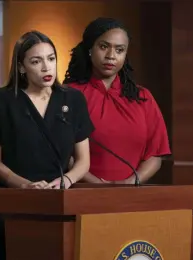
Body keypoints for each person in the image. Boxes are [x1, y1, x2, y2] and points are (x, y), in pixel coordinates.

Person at [64, 17, 171, 184]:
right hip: (81, 193)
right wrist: (96, 185)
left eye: (119, 50)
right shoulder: (68, 95)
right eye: (104, 47)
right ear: (90, 49)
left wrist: (130, 182)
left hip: (131, 197)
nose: (111, 56)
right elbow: (63, 153)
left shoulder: (143, 97)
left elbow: (155, 153)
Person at [0, 30, 93, 190]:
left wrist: (66, 181)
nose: (46, 67)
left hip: (62, 197)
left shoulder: (73, 99)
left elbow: (83, 161)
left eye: (51, 59)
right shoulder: (1, 100)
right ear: (21, 67)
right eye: (36, 62)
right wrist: (25, 185)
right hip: (14, 197)